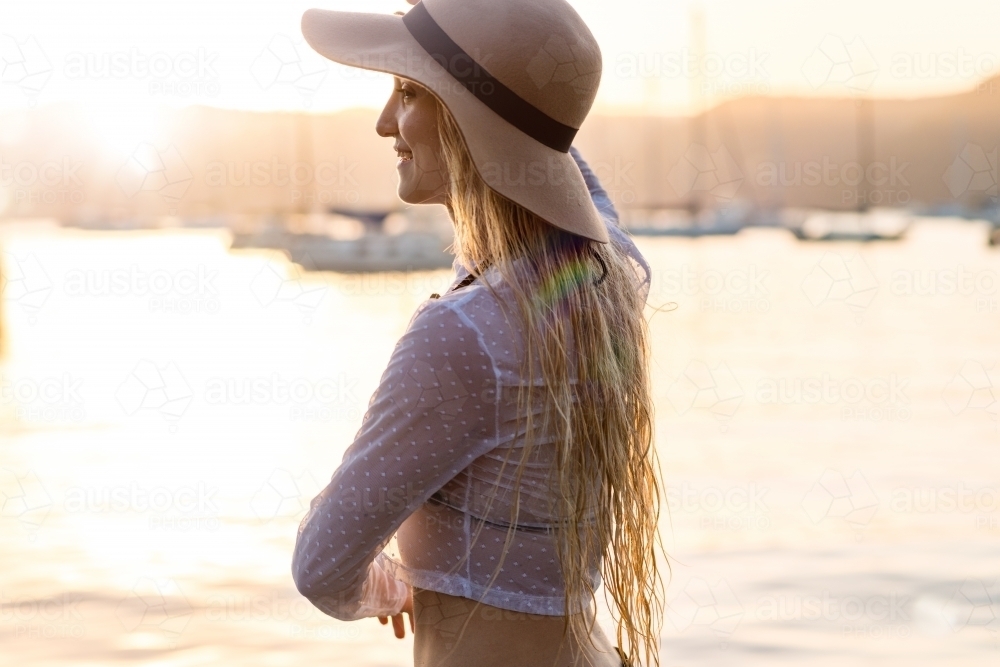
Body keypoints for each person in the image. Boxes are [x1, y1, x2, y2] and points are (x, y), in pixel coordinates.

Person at [293, 1, 666, 665]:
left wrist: (384, 585)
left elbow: (322, 562)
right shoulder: (610, 282)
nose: (385, 123)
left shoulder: (462, 336)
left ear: (470, 123)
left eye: (408, 92)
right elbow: (555, 151)